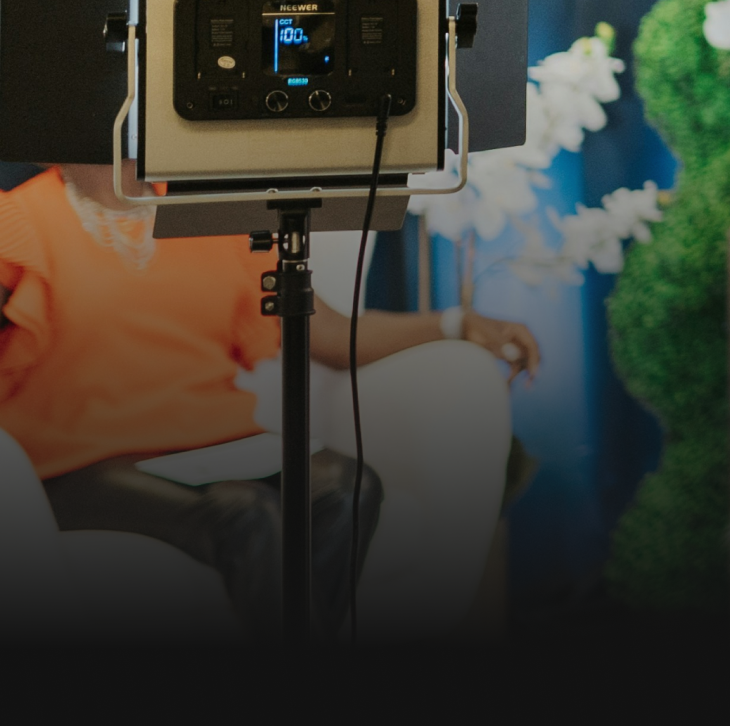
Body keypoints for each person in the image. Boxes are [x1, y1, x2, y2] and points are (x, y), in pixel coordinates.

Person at [0, 161, 540, 635]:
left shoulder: (208, 213)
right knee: (246, 514)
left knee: (347, 487)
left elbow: (329, 334)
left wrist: (454, 323)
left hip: (210, 442)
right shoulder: (18, 221)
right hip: (79, 464)